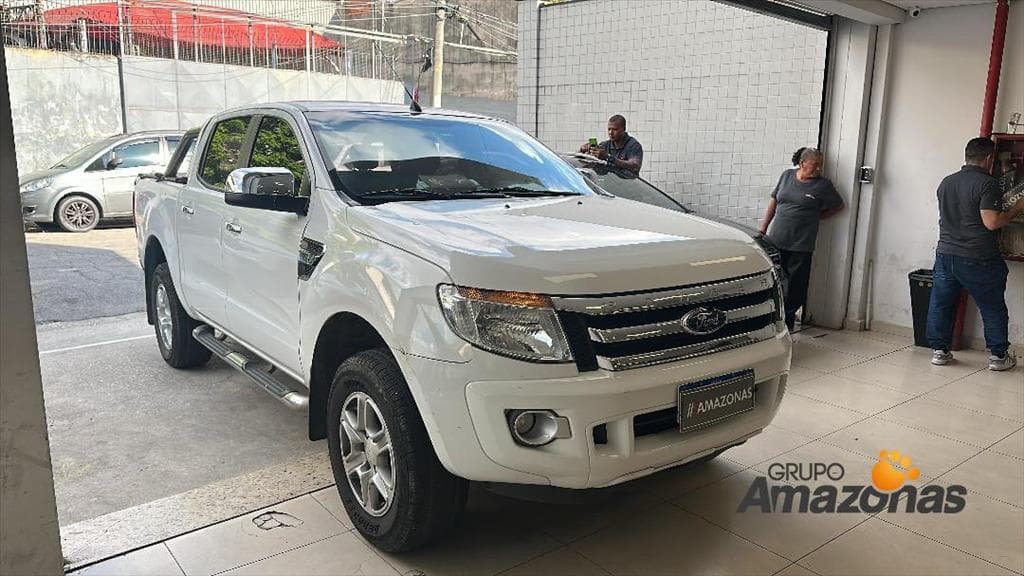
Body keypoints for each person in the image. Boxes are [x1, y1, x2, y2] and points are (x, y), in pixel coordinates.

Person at [926, 137, 1024, 371]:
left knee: (941, 304)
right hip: (978, 257)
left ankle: (939, 351)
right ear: (989, 158)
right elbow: (992, 222)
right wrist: (1018, 207)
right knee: (992, 307)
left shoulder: (946, 182)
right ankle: (998, 357)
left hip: (945, 254)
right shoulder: (987, 184)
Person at [758, 147, 845, 332]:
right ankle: (770, 316)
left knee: (796, 283)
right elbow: (774, 201)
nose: (818, 169)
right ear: (802, 163)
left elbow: (838, 206)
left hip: (801, 243)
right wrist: (763, 228)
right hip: (777, 238)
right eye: (815, 165)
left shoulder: (823, 185)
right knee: (775, 278)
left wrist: (816, 217)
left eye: (820, 166)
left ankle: (788, 319)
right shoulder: (786, 176)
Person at [579, 115, 643, 174]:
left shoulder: (633, 146)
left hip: (626, 182)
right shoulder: (604, 145)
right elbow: (590, 165)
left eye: (615, 129)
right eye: (609, 129)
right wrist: (583, 153)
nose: (611, 133)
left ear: (624, 129)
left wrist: (608, 157)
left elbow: (635, 167)